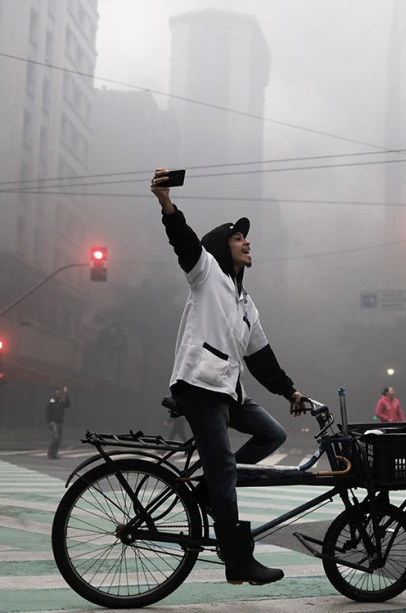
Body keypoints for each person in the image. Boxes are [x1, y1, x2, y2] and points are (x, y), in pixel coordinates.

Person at [151, 168, 301, 585]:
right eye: (239, 238)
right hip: (199, 386)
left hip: (227, 391)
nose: (247, 242)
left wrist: (290, 391)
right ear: (222, 246)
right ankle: (237, 561)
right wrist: (167, 204)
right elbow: (183, 240)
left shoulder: (246, 304)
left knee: (273, 435)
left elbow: (262, 358)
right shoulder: (207, 273)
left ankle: (208, 490)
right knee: (222, 472)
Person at [46, 387, 70, 459]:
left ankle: (54, 454)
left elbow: (68, 404)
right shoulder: (51, 403)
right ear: (54, 395)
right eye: (57, 394)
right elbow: (47, 414)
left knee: (59, 439)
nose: (58, 395)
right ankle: (50, 453)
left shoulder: (61, 403)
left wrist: (66, 395)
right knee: (55, 437)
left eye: (59, 394)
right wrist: (49, 422)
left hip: (60, 423)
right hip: (53, 422)